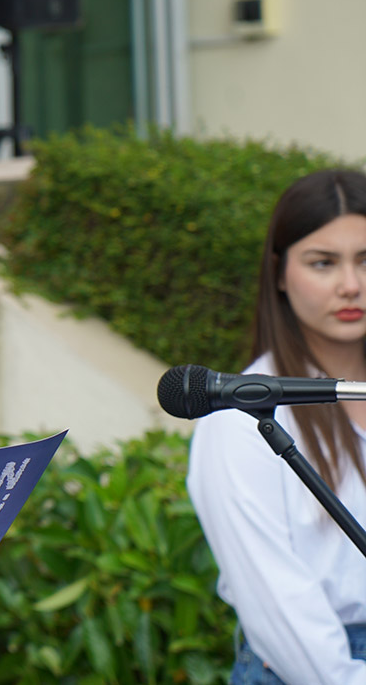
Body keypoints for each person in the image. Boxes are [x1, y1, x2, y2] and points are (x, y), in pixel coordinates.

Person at [188, 168, 366, 684]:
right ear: (280, 273)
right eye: (323, 263)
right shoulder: (240, 419)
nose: (351, 285)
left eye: (365, 260)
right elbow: (280, 611)